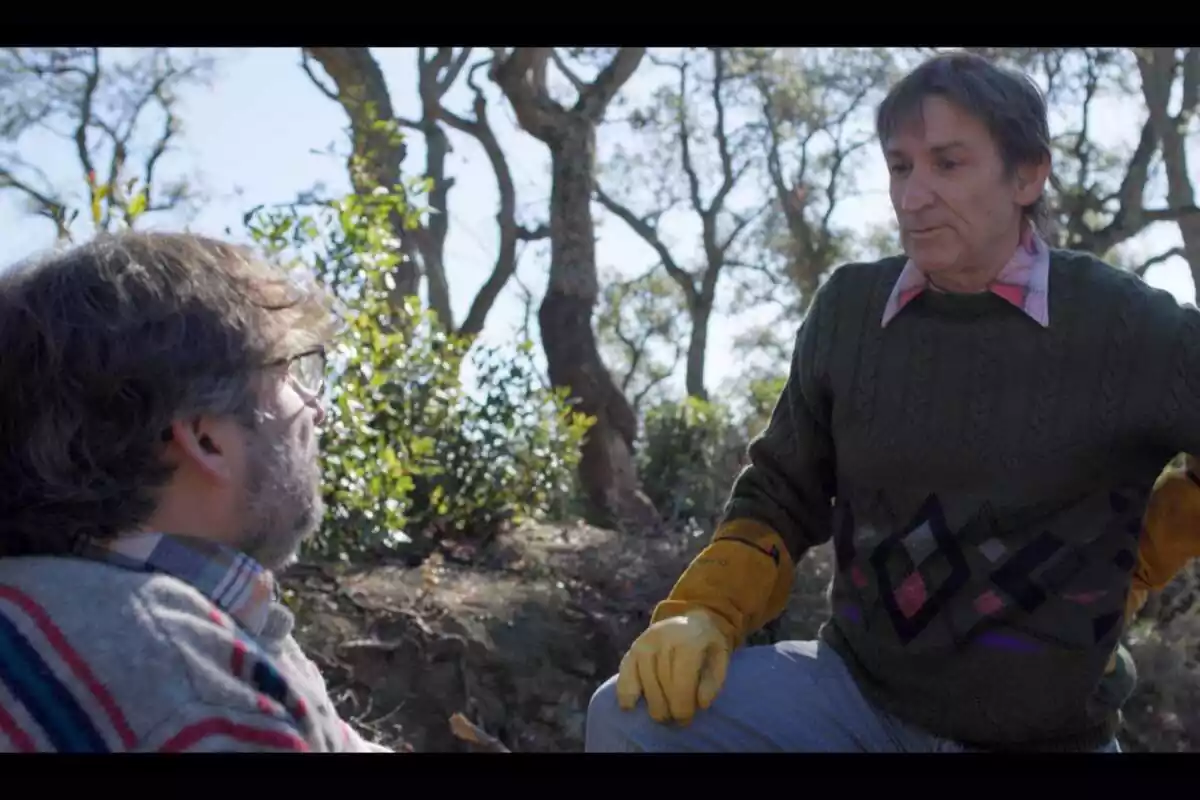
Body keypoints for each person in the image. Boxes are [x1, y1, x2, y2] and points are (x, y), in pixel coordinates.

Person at [585, 51, 1200, 753]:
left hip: (1050, 736)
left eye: (948, 163)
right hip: (855, 700)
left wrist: (1145, 554)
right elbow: (781, 494)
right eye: (901, 166)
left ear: (1028, 175)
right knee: (630, 718)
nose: (913, 196)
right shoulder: (849, 310)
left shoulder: (1126, 325)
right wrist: (703, 611)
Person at [0, 232, 391, 752]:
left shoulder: (44, 618)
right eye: (291, 374)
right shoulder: (183, 675)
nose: (316, 408)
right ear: (206, 437)